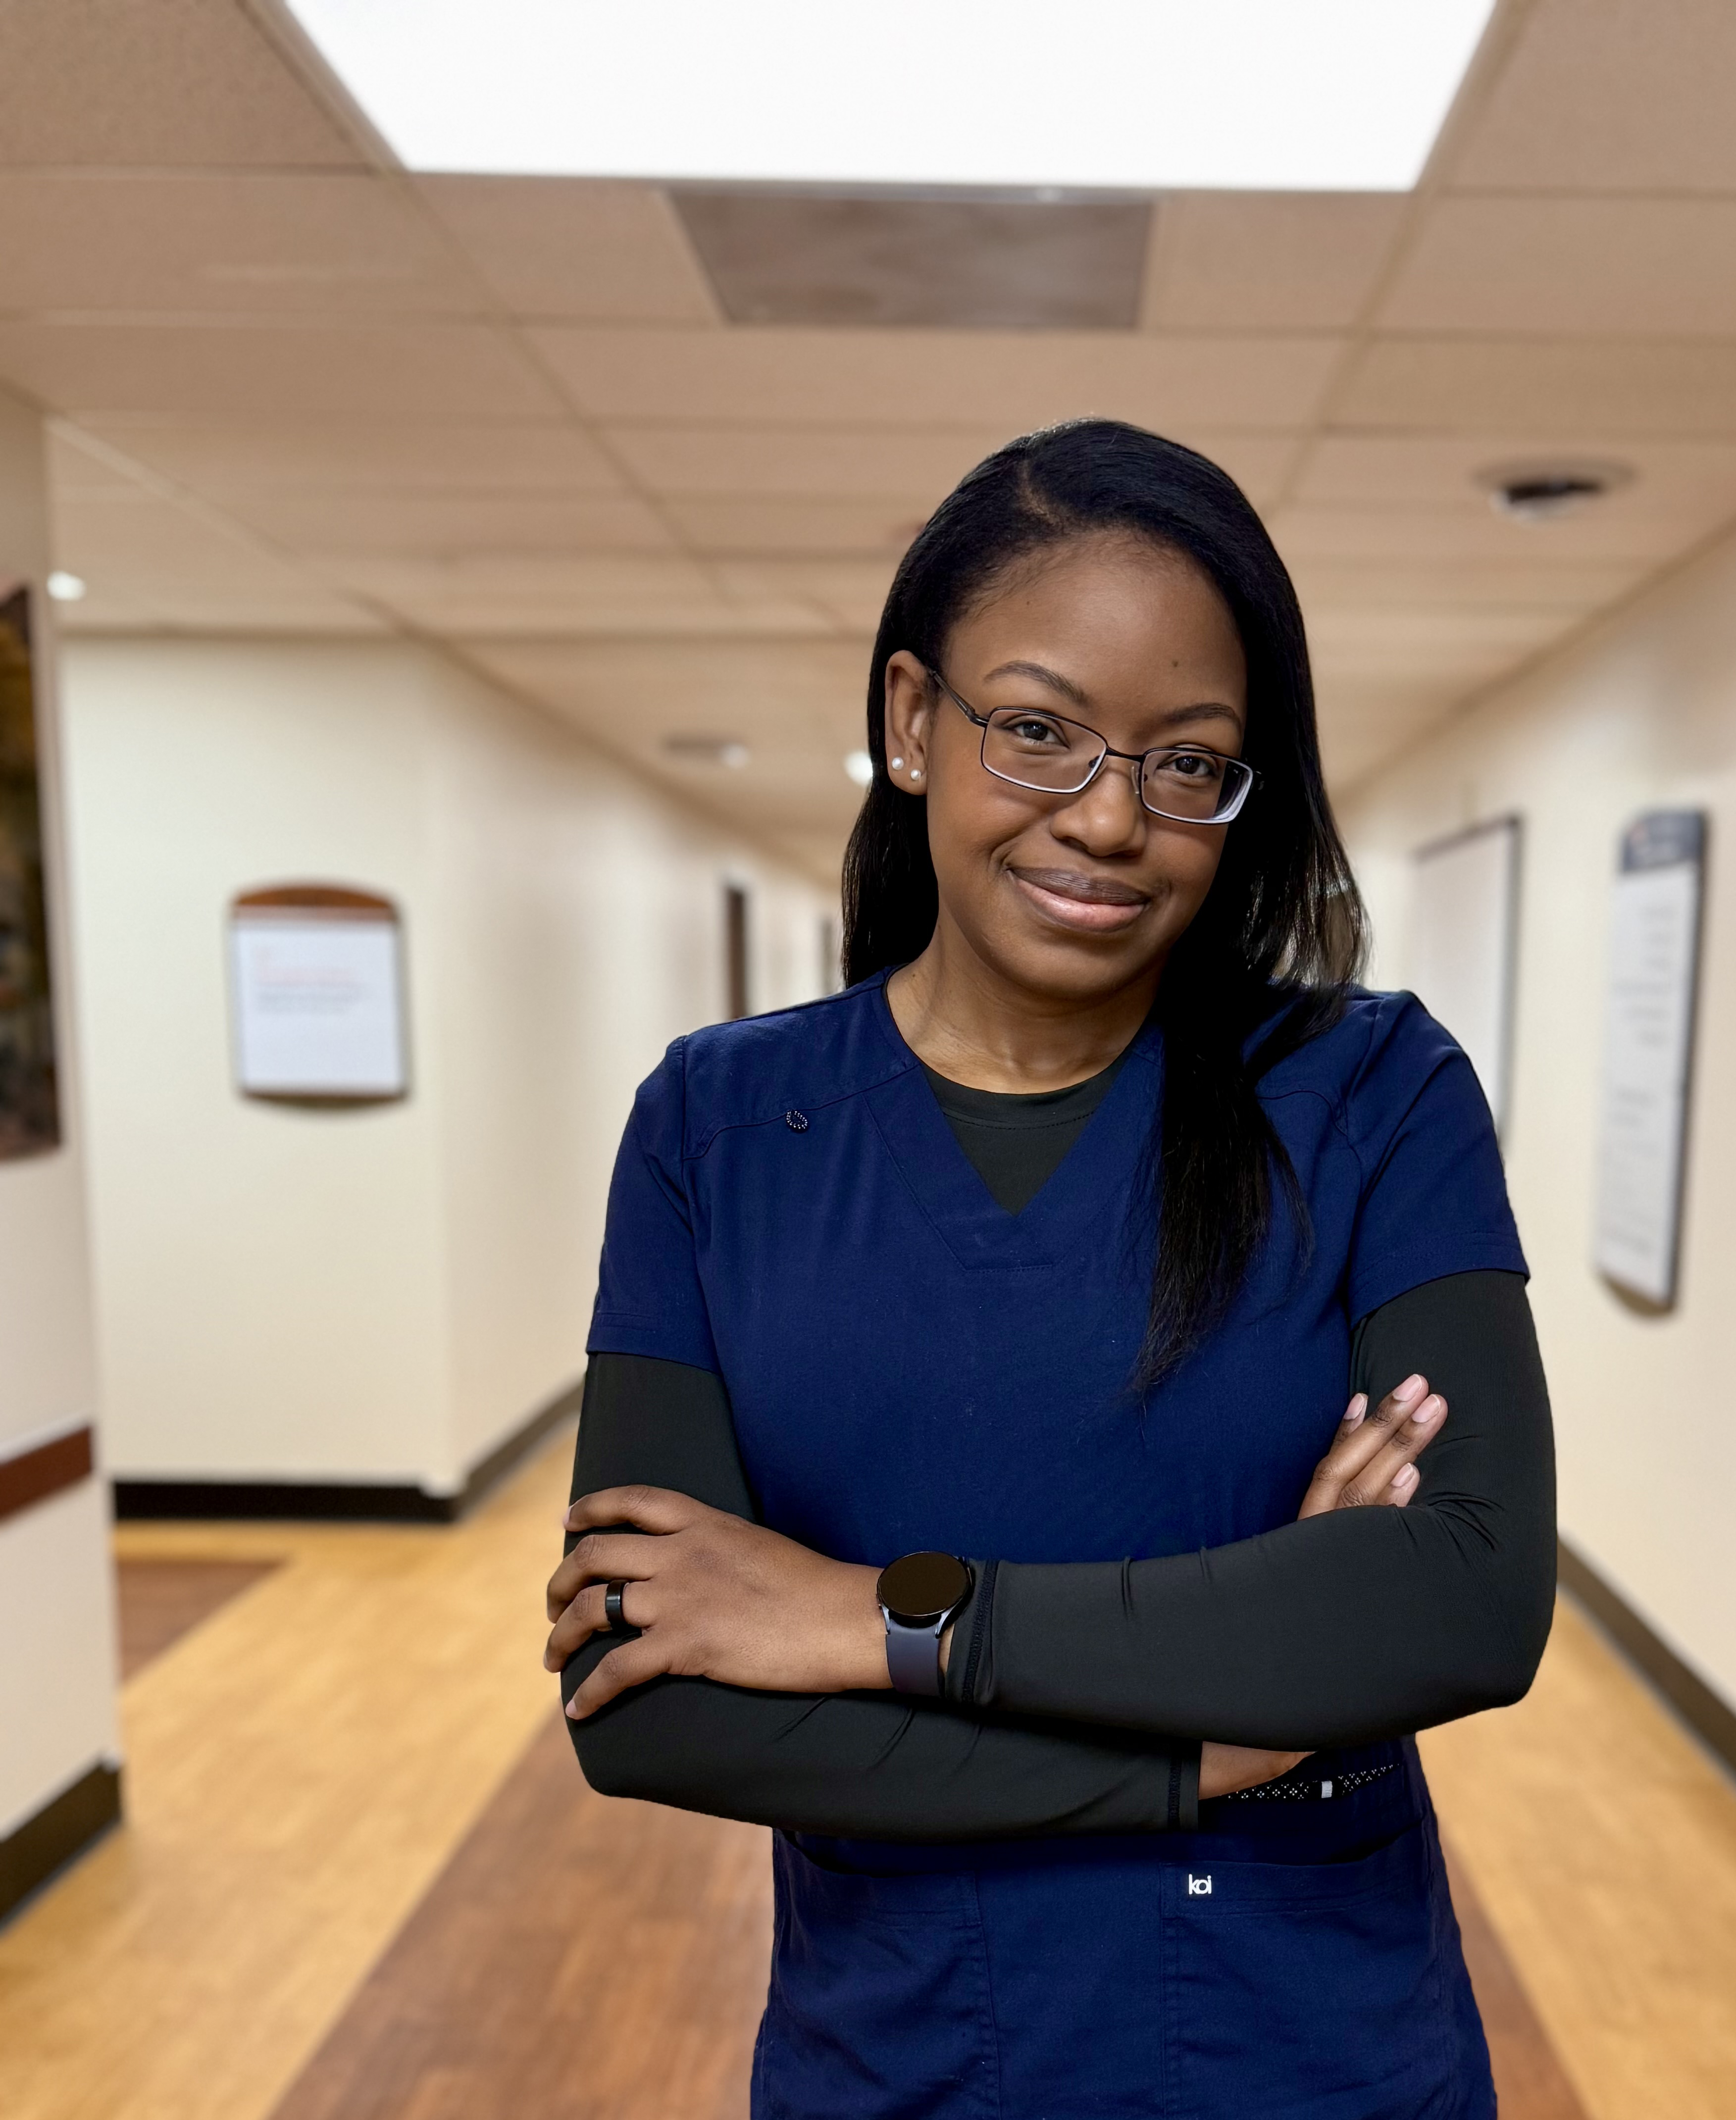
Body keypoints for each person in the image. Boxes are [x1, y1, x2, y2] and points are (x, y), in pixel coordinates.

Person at [543, 418, 1555, 2120]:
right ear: (911, 721)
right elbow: (645, 1696)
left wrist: (869, 1621)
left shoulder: (1372, 1092)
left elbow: (1459, 1596)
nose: (1107, 819)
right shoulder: (721, 1126)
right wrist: (1221, 1739)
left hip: (1306, 2050)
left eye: (1187, 762)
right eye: (1037, 731)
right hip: (908, 2054)